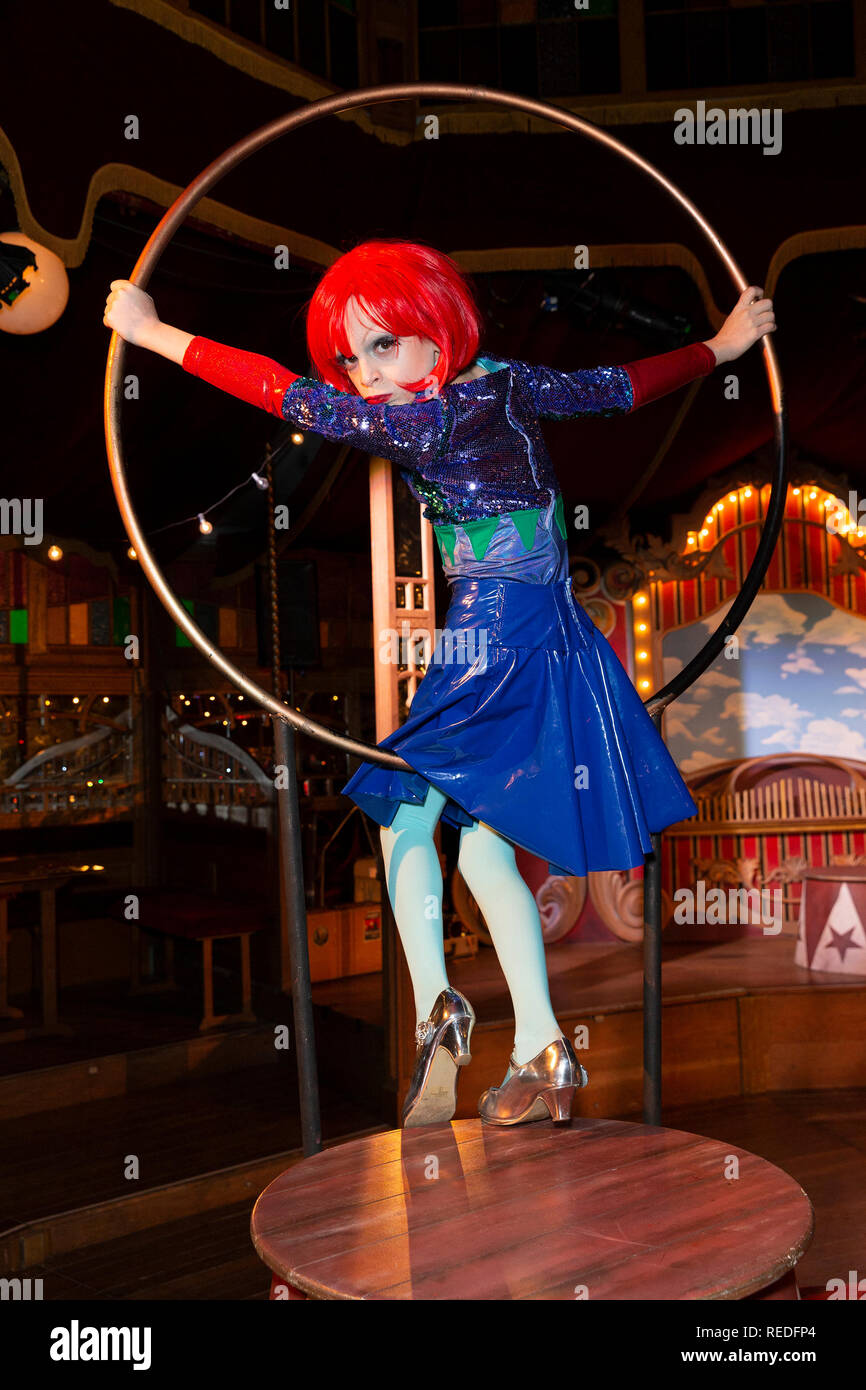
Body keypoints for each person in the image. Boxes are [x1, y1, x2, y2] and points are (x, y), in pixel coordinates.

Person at [104, 239, 775, 1129]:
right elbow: (618, 386)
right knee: (482, 847)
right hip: (544, 629)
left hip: (496, 630)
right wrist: (723, 349)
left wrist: (154, 336)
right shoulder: (506, 382)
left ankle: (439, 1013)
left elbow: (283, 392)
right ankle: (540, 1042)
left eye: (383, 346)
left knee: (401, 819)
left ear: (433, 327)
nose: (365, 374)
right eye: (351, 355)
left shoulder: (427, 421)